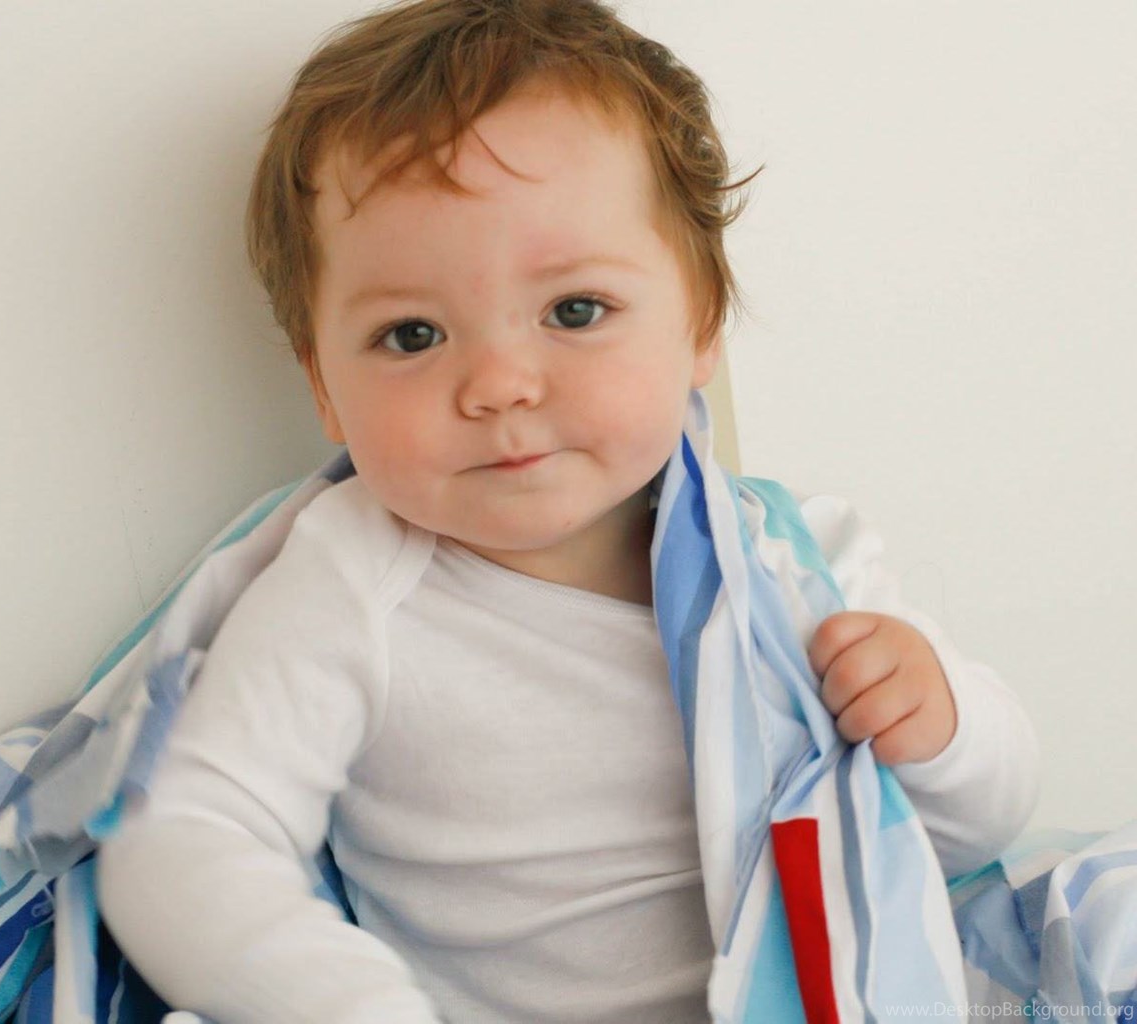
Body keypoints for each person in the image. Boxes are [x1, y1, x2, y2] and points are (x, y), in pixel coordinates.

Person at [94, 0, 1040, 1020]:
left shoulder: (792, 562)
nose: (499, 385)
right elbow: (183, 841)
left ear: (700, 326)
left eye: (574, 311)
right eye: (412, 335)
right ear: (322, 383)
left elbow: (964, 837)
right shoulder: (350, 583)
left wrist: (939, 727)